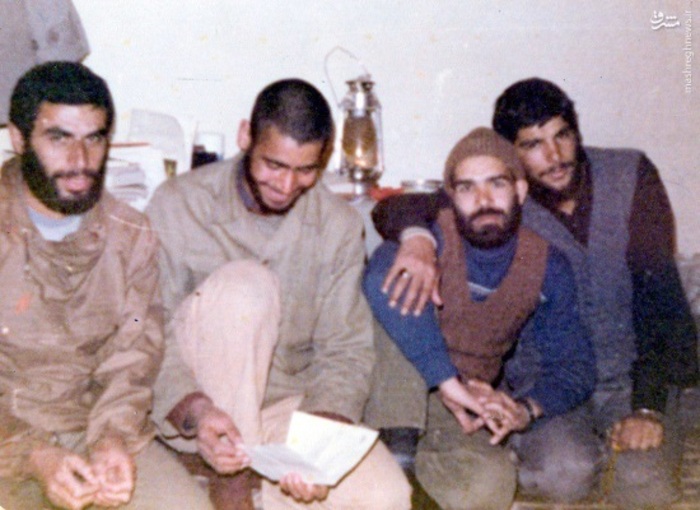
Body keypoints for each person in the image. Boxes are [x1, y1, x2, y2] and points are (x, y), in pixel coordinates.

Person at [372, 78, 699, 508]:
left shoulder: (629, 175)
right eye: (533, 145)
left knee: (647, 483)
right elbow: (401, 207)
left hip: (630, 379)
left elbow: (662, 302)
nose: (555, 156)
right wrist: (416, 238)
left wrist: (647, 408)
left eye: (563, 135)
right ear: (512, 157)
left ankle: (615, 458)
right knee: (561, 474)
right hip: (545, 384)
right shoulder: (498, 204)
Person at [146, 78, 411, 510]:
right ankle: (230, 483)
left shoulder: (338, 224)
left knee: (386, 496)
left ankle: (256, 478)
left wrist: (318, 444)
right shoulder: (178, 203)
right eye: (273, 165)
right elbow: (147, 329)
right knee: (246, 288)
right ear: (245, 136)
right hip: (198, 413)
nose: (287, 186)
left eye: (305, 170)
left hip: (285, 410)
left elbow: (345, 350)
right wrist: (196, 412)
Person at [0, 62, 213, 510]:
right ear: (18, 139)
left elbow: (134, 353)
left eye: (94, 139)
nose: (80, 161)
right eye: (59, 138)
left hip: (92, 428)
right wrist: (33, 454)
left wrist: (112, 439)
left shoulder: (130, 234)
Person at [363, 127, 595, 510]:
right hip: (389, 394)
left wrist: (525, 409)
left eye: (497, 184)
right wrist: (445, 378)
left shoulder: (547, 264)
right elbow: (379, 282)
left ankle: (406, 479)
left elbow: (575, 365)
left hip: (459, 405)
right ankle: (397, 461)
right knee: (400, 295)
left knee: (491, 487)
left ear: (520, 190)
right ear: (450, 197)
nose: (484, 200)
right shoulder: (429, 236)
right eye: (468, 188)